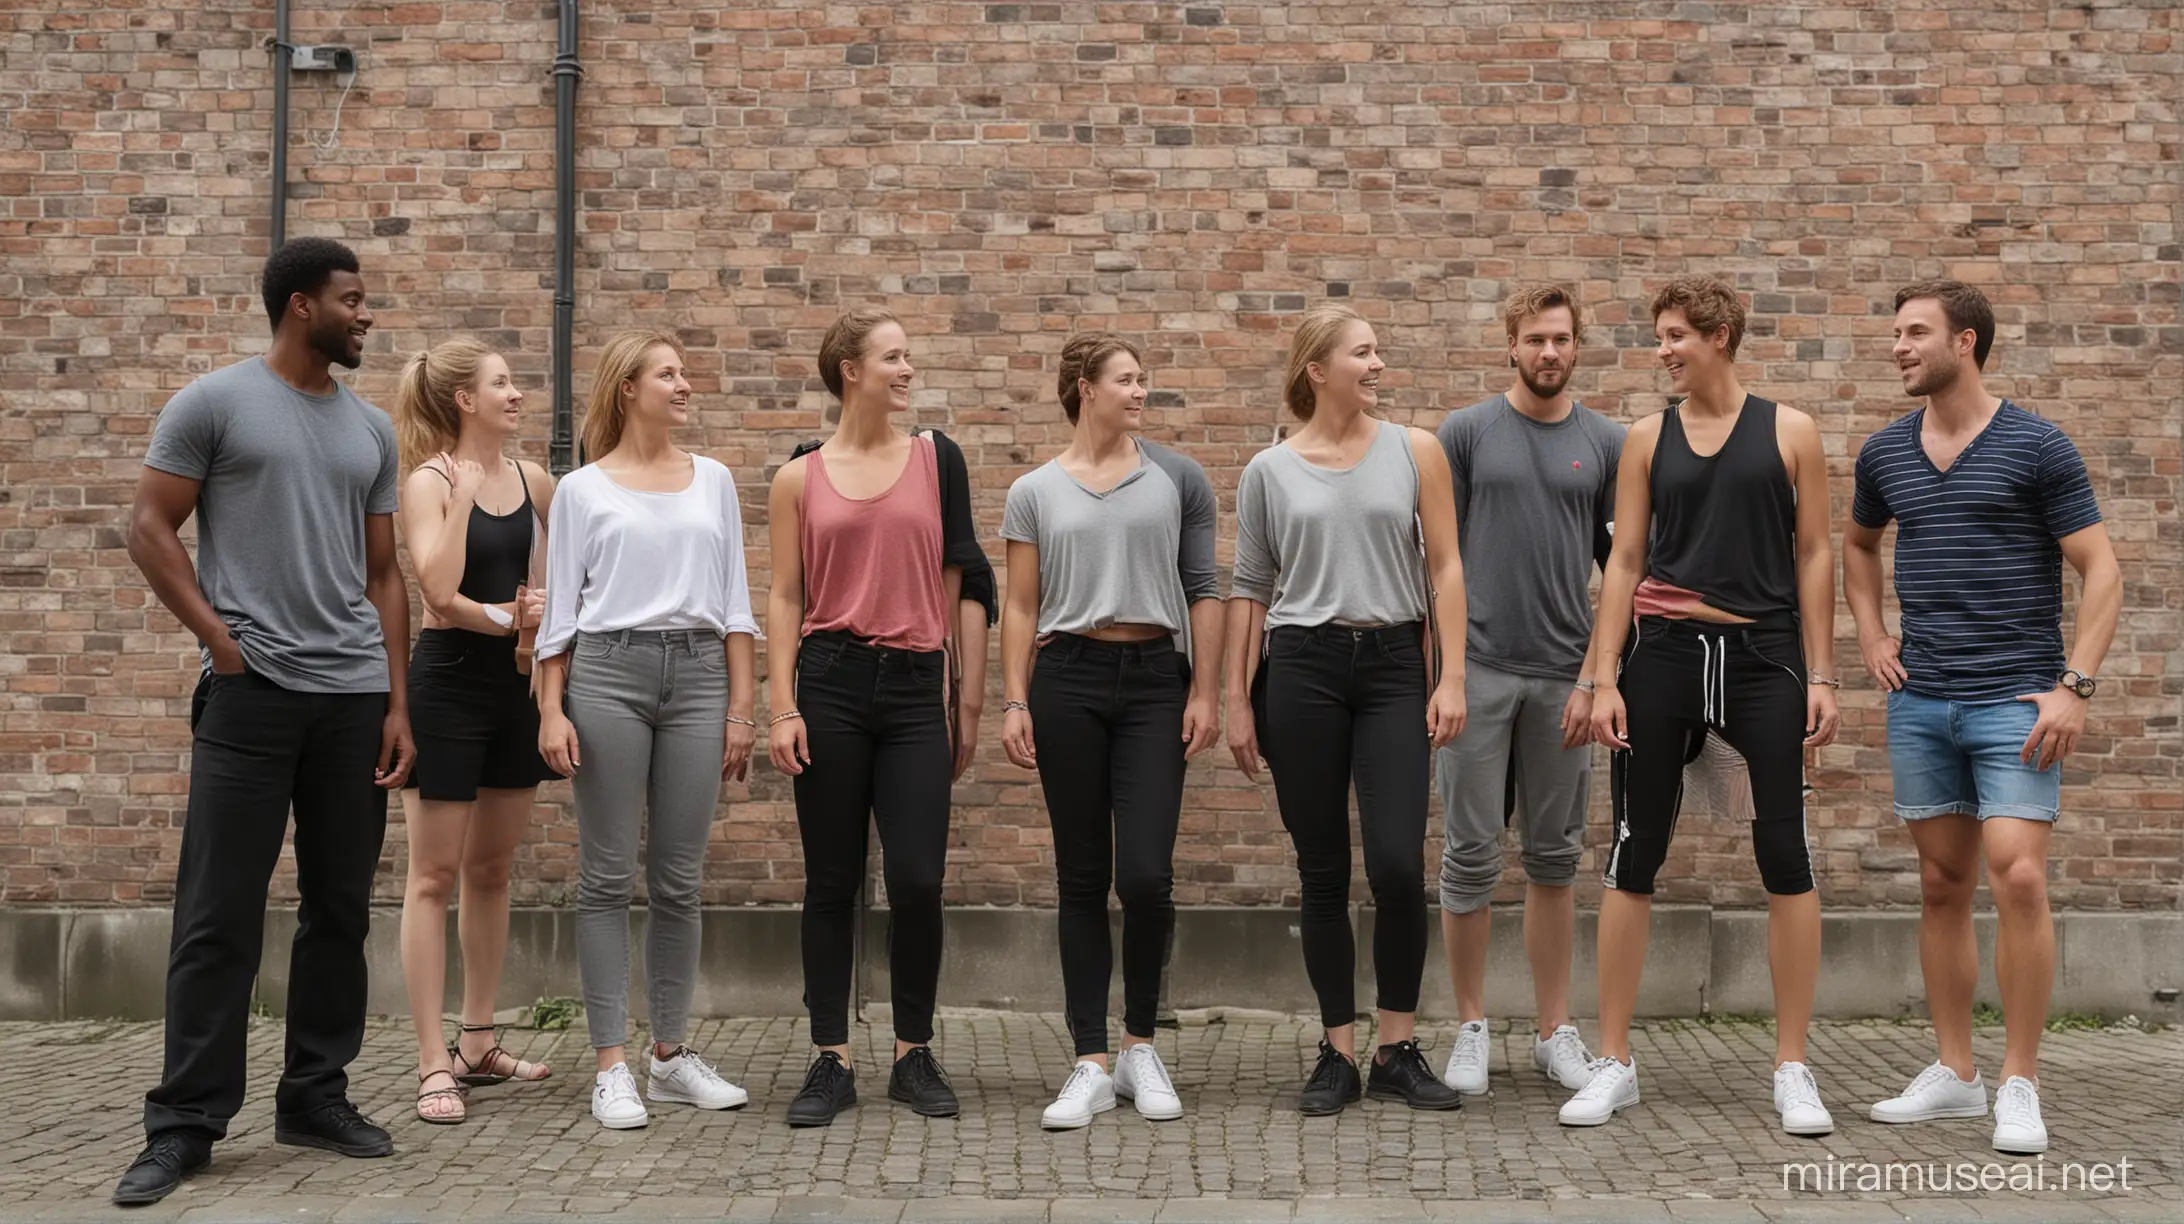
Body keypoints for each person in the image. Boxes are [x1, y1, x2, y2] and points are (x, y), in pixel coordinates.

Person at [116, 238, 413, 1206]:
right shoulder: (214, 403)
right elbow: (148, 526)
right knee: (217, 914)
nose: (366, 315)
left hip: (352, 699)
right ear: (300, 307)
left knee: (340, 909)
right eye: (352, 299)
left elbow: (382, 577)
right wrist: (219, 640)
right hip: (250, 696)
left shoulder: (371, 431)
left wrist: (397, 701)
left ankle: (314, 1095)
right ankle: (186, 1124)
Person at [1847, 280, 2119, 1155]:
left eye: (1915, 332)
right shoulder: (1886, 452)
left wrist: (2075, 686)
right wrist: (1870, 631)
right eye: (1895, 332)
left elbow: (2102, 572)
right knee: (1940, 885)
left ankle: (2020, 1082)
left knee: (2021, 877)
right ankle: (1957, 1075)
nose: (1898, 346)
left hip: (2017, 702)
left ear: (1966, 342)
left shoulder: (2037, 445)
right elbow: (1856, 544)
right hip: (1922, 702)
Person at [1568, 276, 1841, 1136]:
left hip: (1764, 659)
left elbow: (1816, 555)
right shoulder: (1647, 438)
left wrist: (1824, 676)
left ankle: (1792, 1066)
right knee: (1632, 850)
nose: (1663, 350)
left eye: (1677, 335)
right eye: (1660, 336)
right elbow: (1623, 561)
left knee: (1783, 852)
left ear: (1720, 335)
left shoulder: (1790, 431)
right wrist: (1603, 675)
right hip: (1664, 660)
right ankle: (1615, 1060)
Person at [1223, 304, 1468, 1117]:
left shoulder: (1416, 450)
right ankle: (1337, 1052)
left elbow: (1447, 571)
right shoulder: (1269, 470)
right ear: (1317, 368)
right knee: (1322, 867)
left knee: (1398, 862)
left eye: (1378, 351)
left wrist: (1451, 677)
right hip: (1302, 669)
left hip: (1396, 664)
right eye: (1362, 353)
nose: (1377, 364)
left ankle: (1396, 1046)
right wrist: (1236, 699)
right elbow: (1252, 592)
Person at [768, 309, 996, 1128]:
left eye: (908, 356)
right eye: (893, 357)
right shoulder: (799, 477)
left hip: (912, 690)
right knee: (831, 880)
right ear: (849, 371)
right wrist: (782, 703)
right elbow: (786, 596)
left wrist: (962, 694)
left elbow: (961, 572)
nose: (908, 369)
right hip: (827, 681)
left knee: (918, 880)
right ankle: (831, 1056)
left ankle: (913, 1052)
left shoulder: (937, 460)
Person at [534, 331, 761, 1131]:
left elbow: (736, 603)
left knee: (678, 878)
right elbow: (560, 615)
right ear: (627, 388)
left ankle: (669, 1055)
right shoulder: (582, 491)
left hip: (700, 676)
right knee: (603, 877)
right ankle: (611, 1066)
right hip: (609, 674)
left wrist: (742, 708)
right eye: (668, 373)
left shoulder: (717, 481)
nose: (685, 384)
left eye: (684, 371)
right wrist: (551, 708)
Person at [999, 333, 1224, 1129]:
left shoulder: (1178, 479)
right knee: (1081, 873)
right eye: (1126, 379)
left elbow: (1203, 587)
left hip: (1156, 680)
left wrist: (1206, 689)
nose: (1140, 391)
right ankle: (1090, 1059)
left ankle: (1140, 1044)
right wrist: (1016, 699)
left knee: (1147, 877)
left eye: (1144, 379)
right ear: (1085, 388)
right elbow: (1021, 605)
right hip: (1068, 681)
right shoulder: (1034, 491)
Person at [1432, 286, 1622, 1096]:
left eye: (1562, 339)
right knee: (1470, 855)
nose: (1550, 352)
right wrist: (1443, 674)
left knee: (1554, 859)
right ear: (1509, 344)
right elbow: (1439, 561)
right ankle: (1470, 1025)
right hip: (1476, 670)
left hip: (1565, 678)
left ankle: (1554, 1030)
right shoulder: (1467, 434)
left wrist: (1600, 675)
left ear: (1578, 347)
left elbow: (1622, 570)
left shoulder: (1606, 441)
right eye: (1535, 339)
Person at [389, 339, 558, 1124]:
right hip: (449, 686)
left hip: (516, 691)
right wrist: (459, 504)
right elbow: (439, 590)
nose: (516, 393)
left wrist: (541, 617)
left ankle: (478, 1041)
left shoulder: (535, 481)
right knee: (433, 876)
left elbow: (558, 587)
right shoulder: (428, 482)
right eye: (502, 383)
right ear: (464, 399)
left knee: (491, 870)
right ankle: (431, 1065)